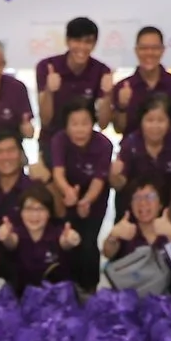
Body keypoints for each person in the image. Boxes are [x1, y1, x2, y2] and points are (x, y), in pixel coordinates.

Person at [45, 98, 112, 289]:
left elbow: (99, 179)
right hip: (66, 194)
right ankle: (66, 286)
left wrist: (86, 201)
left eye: (85, 123)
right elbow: (58, 173)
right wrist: (68, 192)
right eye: (74, 124)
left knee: (89, 242)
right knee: (68, 238)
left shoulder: (104, 144)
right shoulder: (59, 140)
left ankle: (90, 289)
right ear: (66, 125)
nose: (80, 129)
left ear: (93, 123)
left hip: (95, 198)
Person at [101, 177, 171, 293]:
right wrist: (113, 236)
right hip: (135, 298)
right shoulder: (127, 230)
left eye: (150, 197)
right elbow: (107, 253)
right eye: (137, 198)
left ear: (160, 204)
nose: (143, 203)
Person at [35, 15, 112, 137]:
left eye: (88, 42)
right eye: (77, 41)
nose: (82, 47)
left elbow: (103, 124)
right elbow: (45, 120)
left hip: (85, 141)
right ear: (67, 40)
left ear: (95, 44)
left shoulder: (101, 71)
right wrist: (49, 91)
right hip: (52, 140)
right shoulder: (47, 67)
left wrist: (108, 95)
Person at [0, 186, 80, 289]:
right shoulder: (16, 233)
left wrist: (70, 240)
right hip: (21, 298)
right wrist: (5, 237)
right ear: (21, 212)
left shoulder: (58, 233)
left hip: (55, 297)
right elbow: (11, 242)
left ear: (49, 213)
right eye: (28, 209)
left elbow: (65, 242)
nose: (34, 215)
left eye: (40, 209)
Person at [106, 26, 171, 128]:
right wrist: (122, 107)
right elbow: (119, 129)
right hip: (131, 144)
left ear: (162, 50)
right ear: (136, 51)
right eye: (144, 48)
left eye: (155, 48)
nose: (149, 53)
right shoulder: (122, 87)